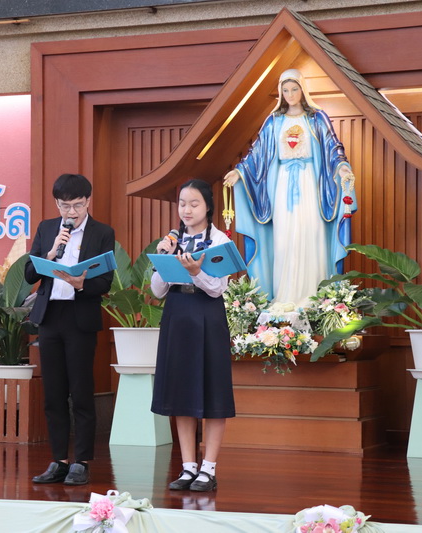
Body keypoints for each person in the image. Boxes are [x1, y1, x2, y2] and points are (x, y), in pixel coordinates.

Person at [223, 69, 357, 308]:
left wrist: (342, 167)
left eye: (294, 89)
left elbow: (333, 147)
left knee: (311, 233)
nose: (290, 94)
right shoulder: (274, 121)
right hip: (282, 185)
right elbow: (257, 152)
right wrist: (240, 171)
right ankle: (284, 296)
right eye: (285, 90)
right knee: (284, 238)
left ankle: (314, 298)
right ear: (280, 93)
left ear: (303, 90)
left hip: (310, 182)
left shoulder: (316, 118)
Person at [24, 173, 115, 486]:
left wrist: (81, 284)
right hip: (51, 317)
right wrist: (50, 254)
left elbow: (105, 282)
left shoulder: (102, 232)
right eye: (65, 206)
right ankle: (59, 460)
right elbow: (29, 274)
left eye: (77, 205)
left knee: (81, 392)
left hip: (80, 318)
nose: (71, 212)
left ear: (88, 201)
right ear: (57, 204)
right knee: (53, 393)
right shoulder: (47, 228)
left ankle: (82, 462)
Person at [150, 178, 235, 492]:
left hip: (207, 316)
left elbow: (217, 288)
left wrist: (197, 272)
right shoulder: (172, 240)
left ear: (208, 206)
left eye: (194, 203)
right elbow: (157, 291)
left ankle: (208, 469)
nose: (187, 210)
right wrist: (163, 258)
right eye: (182, 204)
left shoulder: (219, 241)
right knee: (181, 393)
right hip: (177, 315)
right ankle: (188, 468)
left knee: (212, 392)